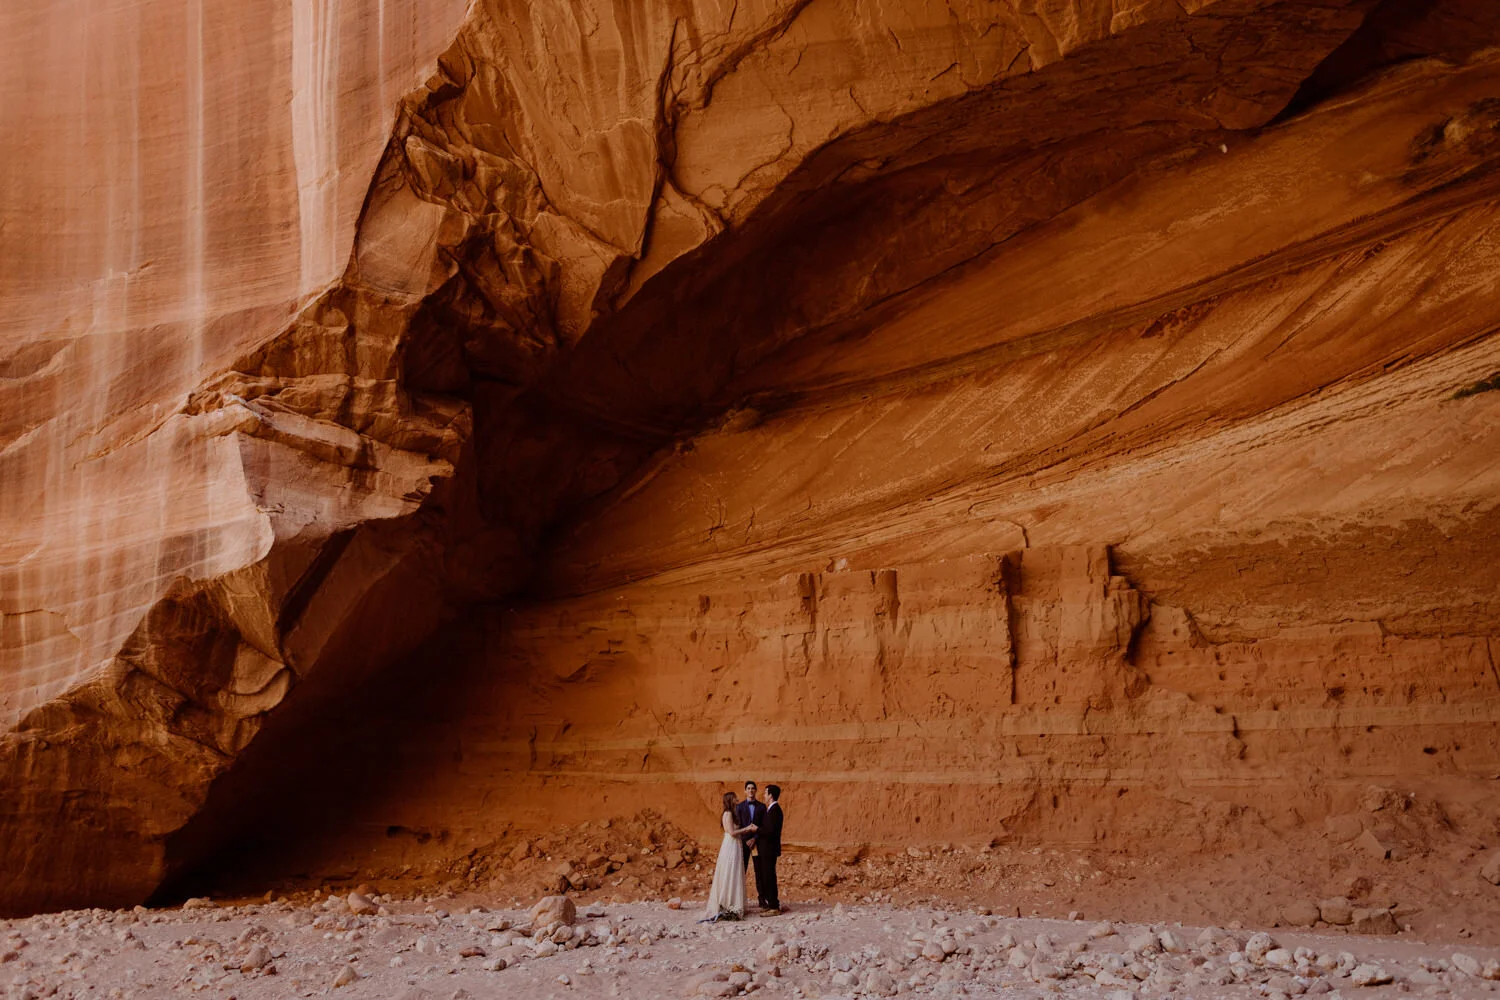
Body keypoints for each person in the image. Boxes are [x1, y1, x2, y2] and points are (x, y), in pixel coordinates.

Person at [704, 791, 757, 920]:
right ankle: (727, 903)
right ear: (730, 800)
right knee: (730, 871)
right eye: (734, 797)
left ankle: (733, 903)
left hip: (735, 845)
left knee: (735, 871)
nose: (737, 799)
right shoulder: (727, 814)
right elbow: (732, 832)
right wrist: (747, 829)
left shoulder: (732, 813)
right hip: (731, 845)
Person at [753, 784, 784, 914]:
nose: (764, 796)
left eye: (765, 793)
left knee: (769, 876)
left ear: (770, 795)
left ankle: (773, 906)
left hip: (769, 850)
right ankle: (772, 904)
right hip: (767, 850)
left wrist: (757, 829)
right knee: (767, 876)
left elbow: (770, 831)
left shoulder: (775, 810)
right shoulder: (771, 810)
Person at [735, 780, 767, 871]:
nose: (750, 790)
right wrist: (746, 839)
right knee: (741, 869)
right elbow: (738, 825)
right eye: (748, 788)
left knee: (759, 870)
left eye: (753, 788)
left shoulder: (762, 807)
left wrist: (754, 839)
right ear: (745, 791)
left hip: (757, 842)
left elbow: (763, 825)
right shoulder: (739, 807)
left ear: (756, 790)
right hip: (743, 842)